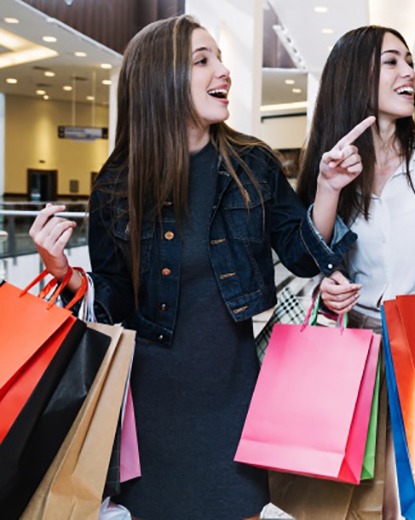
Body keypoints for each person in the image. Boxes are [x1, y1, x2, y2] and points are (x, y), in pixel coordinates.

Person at [28, 15, 366, 519]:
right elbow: (116, 301)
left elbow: (300, 252)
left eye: (221, 58)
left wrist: (328, 188)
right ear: (160, 80)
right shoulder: (117, 184)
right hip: (150, 401)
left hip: (233, 391)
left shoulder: (253, 162)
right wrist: (60, 271)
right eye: (202, 61)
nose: (223, 72)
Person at [293, 25, 415, 518]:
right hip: (355, 355)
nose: (410, 73)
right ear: (357, 76)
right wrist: (329, 190)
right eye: (392, 62)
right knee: (355, 502)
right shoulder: (333, 165)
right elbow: (310, 260)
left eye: (409, 61)